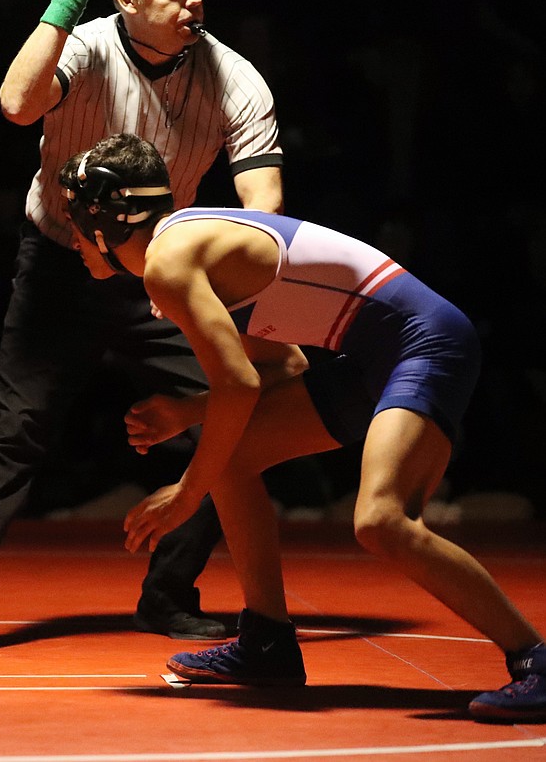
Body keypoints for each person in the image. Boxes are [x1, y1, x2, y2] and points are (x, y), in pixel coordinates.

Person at [61, 132, 544, 723]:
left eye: (74, 220)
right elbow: (284, 364)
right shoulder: (184, 245)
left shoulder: (169, 260)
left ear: (105, 219)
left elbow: (240, 385)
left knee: (382, 520)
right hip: (371, 355)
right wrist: (186, 414)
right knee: (234, 461)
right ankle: (266, 640)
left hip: (422, 343)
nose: (72, 239)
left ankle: (535, 659)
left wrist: (185, 493)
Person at [0, 0, 285, 653]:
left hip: (163, 271)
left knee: (226, 418)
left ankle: (168, 595)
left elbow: (266, 212)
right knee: (17, 426)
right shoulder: (83, 46)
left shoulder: (238, 80)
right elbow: (17, 106)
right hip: (60, 261)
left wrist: (226, 288)